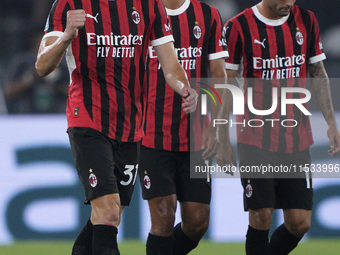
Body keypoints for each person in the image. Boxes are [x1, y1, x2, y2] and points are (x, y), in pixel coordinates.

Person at [35, 0, 198, 254]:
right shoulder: (68, 4)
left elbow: (171, 65)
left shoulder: (150, 5)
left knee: (108, 215)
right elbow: (43, 66)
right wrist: (67, 35)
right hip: (87, 119)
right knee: (109, 213)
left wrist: (185, 88)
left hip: (130, 126)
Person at [216, 0, 340, 255]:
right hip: (255, 137)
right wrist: (222, 136)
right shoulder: (238, 26)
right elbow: (226, 83)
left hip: (296, 136)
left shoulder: (306, 20)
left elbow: (317, 71)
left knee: (300, 223)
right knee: (261, 216)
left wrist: (330, 122)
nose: (289, 3)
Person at [138, 0, 228, 254]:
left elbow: (218, 73)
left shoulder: (208, 15)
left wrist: (217, 122)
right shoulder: (143, 13)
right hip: (151, 134)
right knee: (164, 213)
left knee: (197, 222)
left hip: (196, 135)